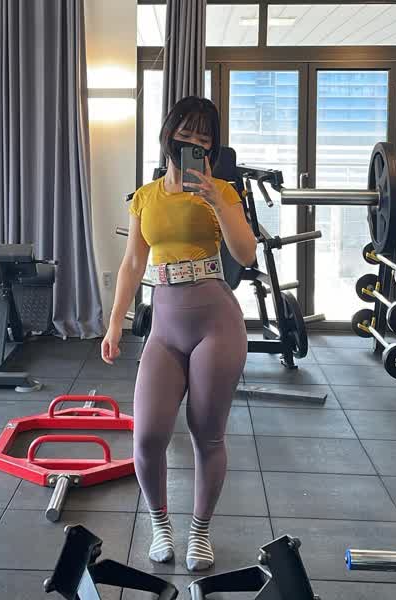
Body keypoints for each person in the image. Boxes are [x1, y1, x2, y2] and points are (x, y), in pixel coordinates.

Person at [101, 96, 256, 571]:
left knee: (206, 434)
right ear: (168, 135)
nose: (194, 143)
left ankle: (200, 532)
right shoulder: (145, 197)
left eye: (204, 138)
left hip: (216, 323)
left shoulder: (222, 191)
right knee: (148, 435)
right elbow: (133, 263)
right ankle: (161, 524)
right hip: (165, 327)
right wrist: (115, 322)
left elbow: (246, 254)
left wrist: (216, 200)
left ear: (212, 148)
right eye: (186, 133)